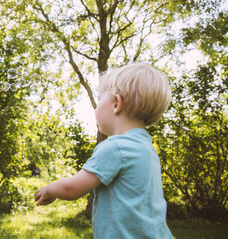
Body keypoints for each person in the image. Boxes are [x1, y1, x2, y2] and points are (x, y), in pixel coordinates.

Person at [35, 63, 173, 238]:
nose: (96, 107)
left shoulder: (115, 147)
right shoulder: (146, 148)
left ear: (116, 103)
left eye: (99, 100)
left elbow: (72, 189)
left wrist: (50, 189)